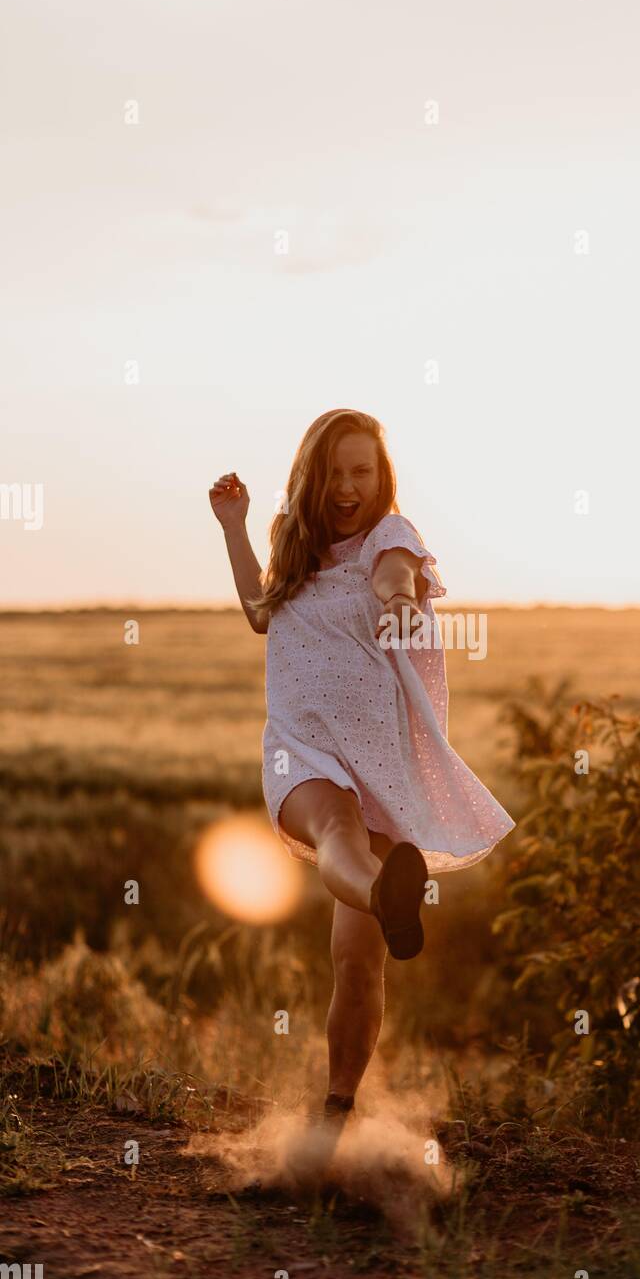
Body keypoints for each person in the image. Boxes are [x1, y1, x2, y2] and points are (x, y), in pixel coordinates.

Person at [208, 408, 514, 1121]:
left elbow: (395, 578)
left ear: (382, 479)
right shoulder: (297, 542)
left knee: (357, 961)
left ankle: (336, 1109)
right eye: (336, 471)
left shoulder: (392, 537)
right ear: (313, 476)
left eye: (363, 471)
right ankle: (382, 892)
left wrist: (400, 600)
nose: (349, 486)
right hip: (301, 750)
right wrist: (233, 526)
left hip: (378, 763)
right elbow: (261, 610)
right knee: (337, 832)